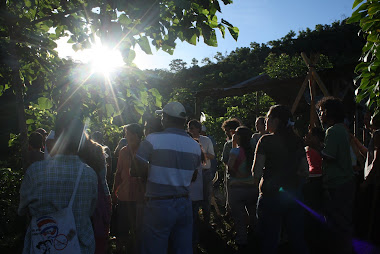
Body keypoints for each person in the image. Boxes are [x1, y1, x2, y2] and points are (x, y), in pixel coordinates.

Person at [18, 112, 98, 254]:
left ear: (57, 138)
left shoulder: (35, 171)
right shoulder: (89, 174)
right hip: (80, 246)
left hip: (42, 247)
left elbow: (22, 209)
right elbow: (90, 211)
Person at [131, 102, 201, 254]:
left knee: (154, 248)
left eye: (162, 116)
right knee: (182, 248)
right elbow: (194, 176)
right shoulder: (195, 145)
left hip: (159, 204)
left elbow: (135, 169)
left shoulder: (152, 139)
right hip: (184, 203)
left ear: (166, 119)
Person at [252, 105, 309, 254]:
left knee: (269, 241)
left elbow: (256, 171)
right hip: (294, 195)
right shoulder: (297, 141)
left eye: (268, 118)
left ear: (276, 120)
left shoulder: (265, 140)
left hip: (270, 196)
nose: (266, 121)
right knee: (297, 239)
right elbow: (305, 170)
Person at [316, 97, 354, 254]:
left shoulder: (332, 131)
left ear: (328, 112)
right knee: (344, 219)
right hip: (346, 180)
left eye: (321, 111)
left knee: (338, 221)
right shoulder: (342, 129)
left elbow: (330, 156)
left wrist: (316, 147)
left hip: (337, 182)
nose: (320, 114)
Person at [112, 123, 145, 254]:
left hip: (140, 197)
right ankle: (120, 248)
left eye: (128, 134)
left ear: (136, 135)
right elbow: (118, 173)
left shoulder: (145, 150)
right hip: (124, 195)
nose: (127, 136)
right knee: (122, 227)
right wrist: (114, 192)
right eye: (126, 134)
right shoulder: (123, 151)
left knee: (139, 229)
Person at [78, 134, 111, 254]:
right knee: (100, 234)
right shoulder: (98, 149)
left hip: (83, 196)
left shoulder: (78, 153)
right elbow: (104, 177)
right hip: (102, 195)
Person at [227, 126, 257, 252]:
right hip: (252, 188)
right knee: (253, 215)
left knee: (239, 218)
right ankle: (256, 237)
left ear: (238, 137)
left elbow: (230, 168)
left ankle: (242, 241)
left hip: (237, 189)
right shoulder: (254, 152)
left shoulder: (235, 152)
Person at [188, 119, 215, 225]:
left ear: (198, 129)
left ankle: (206, 220)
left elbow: (212, 156)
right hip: (192, 173)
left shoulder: (206, 140)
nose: (190, 130)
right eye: (189, 128)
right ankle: (195, 221)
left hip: (204, 172)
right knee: (192, 198)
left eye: (192, 128)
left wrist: (201, 154)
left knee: (206, 197)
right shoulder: (187, 140)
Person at [221, 118, 242, 215]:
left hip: (231, 174)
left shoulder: (228, 144)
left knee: (231, 195)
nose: (226, 133)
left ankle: (230, 212)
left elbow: (225, 160)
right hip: (247, 175)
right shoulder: (249, 141)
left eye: (226, 131)